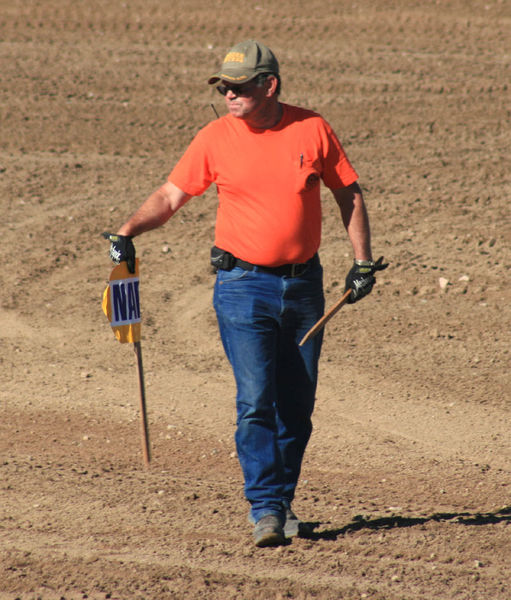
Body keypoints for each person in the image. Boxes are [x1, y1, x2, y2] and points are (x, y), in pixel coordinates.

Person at [103, 40, 387, 547]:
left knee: (297, 405)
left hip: (304, 286)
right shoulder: (216, 137)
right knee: (256, 399)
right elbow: (171, 196)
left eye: (239, 86)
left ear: (269, 85)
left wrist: (362, 263)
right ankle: (266, 508)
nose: (230, 95)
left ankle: (279, 500)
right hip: (241, 286)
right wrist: (128, 230)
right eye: (224, 87)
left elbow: (348, 191)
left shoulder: (312, 128)